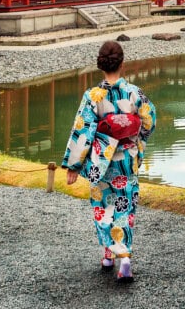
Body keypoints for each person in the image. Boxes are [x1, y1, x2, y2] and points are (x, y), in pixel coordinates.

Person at [62, 41, 156, 283]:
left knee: (103, 207)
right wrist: (135, 139)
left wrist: (73, 165)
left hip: (101, 161)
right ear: (122, 64)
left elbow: (82, 131)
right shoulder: (134, 93)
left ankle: (107, 255)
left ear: (101, 66)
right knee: (124, 206)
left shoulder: (93, 96)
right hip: (126, 160)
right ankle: (123, 258)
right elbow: (149, 121)